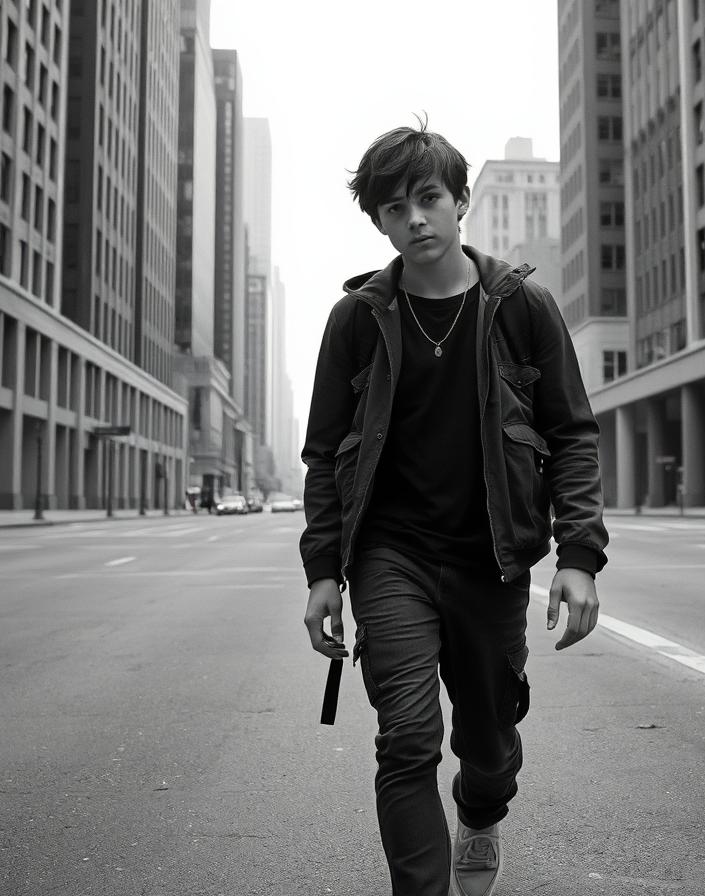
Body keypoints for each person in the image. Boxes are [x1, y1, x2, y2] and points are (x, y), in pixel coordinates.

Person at [301, 120, 608, 896]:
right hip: (390, 556)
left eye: (430, 198)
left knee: (488, 743)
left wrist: (578, 558)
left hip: (490, 557)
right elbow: (324, 453)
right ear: (378, 221)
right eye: (394, 208)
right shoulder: (357, 322)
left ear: (460, 200)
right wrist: (322, 574)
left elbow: (573, 434)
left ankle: (481, 813)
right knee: (406, 737)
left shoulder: (521, 308)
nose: (415, 219)